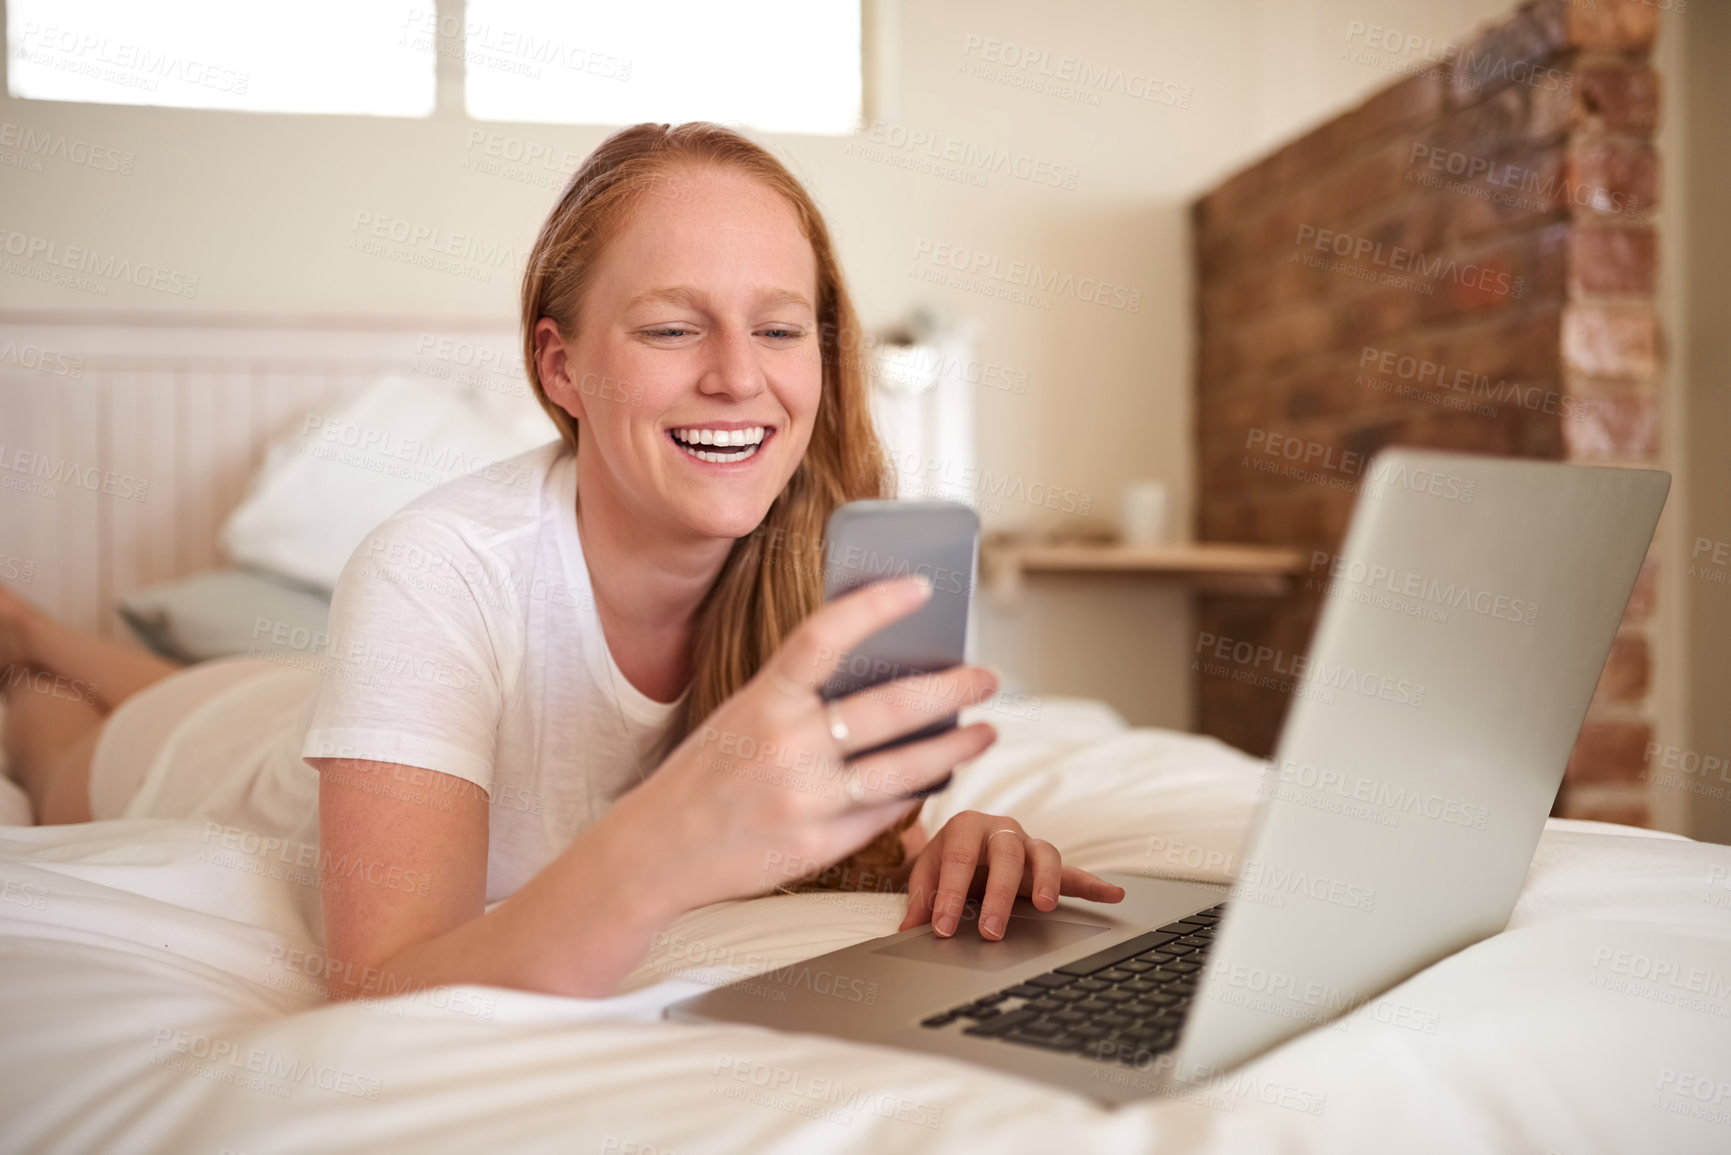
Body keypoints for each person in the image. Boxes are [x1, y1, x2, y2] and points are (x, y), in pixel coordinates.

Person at [0, 122, 1123, 1002]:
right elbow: (383, 990)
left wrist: (949, 847)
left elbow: (849, 829)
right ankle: (31, 645)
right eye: (673, 328)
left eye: (780, 329)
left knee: (261, 690)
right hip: (198, 754)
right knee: (47, 719)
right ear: (562, 367)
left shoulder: (817, 564)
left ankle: (49, 634)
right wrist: (663, 845)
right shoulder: (433, 568)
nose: (740, 376)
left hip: (291, 705)